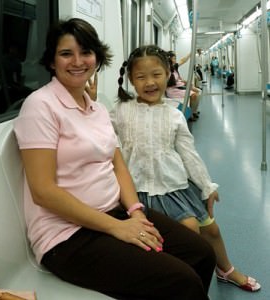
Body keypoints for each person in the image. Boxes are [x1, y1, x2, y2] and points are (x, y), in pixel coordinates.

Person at [13, 18, 216, 300]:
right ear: (51, 61)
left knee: (202, 253)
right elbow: (43, 192)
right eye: (66, 53)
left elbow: (117, 164)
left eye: (86, 52)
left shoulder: (95, 108)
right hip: (68, 236)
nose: (77, 61)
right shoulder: (40, 106)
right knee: (182, 282)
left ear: (97, 58)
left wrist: (134, 211)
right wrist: (117, 228)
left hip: (115, 212)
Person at [110, 44, 261, 293]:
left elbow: (189, 155)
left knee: (211, 228)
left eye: (156, 74)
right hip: (139, 191)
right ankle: (183, 283)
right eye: (141, 76)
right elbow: (96, 133)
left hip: (175, 185)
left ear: (168, 73)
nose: (150, 82)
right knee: (189, 231)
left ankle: (225, 269)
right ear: (130, 80)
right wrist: (89, 100)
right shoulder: (121, 112)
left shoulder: (174, 114)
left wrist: (206, 186)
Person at [166, 51, 201, 121]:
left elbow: (183, 60)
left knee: (198, 91)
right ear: (169, 59)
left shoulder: (174, 67)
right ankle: (191, 114)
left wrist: (190, 53)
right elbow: (170, 83)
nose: (175, 60)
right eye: (174, 58)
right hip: (173, 90)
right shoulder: (166, 70)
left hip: (179, 87)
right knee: (195, 95)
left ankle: (193, 110)